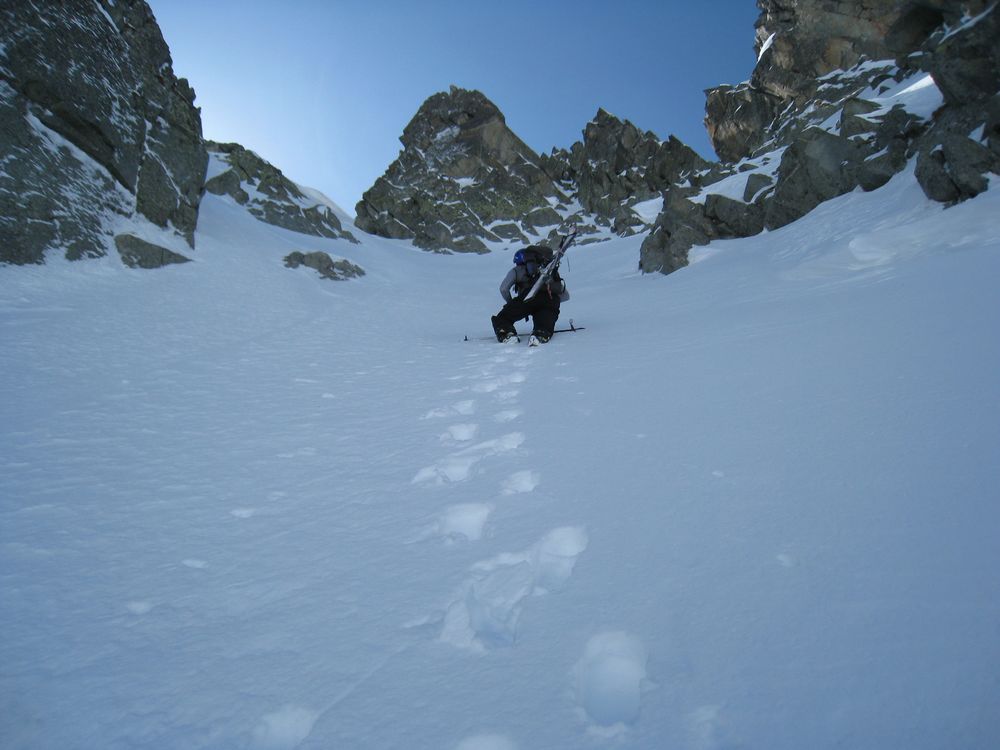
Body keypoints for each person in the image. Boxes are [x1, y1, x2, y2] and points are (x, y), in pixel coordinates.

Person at [491, 244, 569, 344]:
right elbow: (565, 296)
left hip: (529, 297)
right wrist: (549, 299)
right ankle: (540, 334)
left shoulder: (517, 270)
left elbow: (503, 289)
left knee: (503, 318)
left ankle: (507, 334)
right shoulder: (548, 273)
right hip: (551, 300)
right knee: (544, 322)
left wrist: (511, 303)